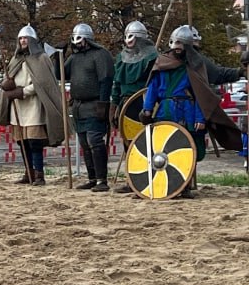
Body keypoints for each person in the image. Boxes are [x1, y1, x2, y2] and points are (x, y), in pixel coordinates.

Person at [140, 24, 246, 197]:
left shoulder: (194, 66)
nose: (179, 49)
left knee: (188, 150)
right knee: (162, 149)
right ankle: (164, 184)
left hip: (187, 112)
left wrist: (200, 118)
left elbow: (200, 95)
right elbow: (152, 89)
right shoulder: (161, 63)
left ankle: (186, 185)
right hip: (165, 112)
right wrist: (147, 110)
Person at [0, 25, 65, 186]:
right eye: (20, 38)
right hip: (18, 108)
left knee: (35, 141)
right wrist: (7, 84)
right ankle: (28, 173)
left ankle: (39, 174)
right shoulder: (15, 59)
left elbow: (42, 84)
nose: (22, 41)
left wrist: (22, 92)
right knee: (22, 141)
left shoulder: (41, 58)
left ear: (32, 40)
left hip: (34, 106)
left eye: (25, 38)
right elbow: (10, 77)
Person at [109, 20, 159, 192]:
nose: (128, 41)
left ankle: (148, 179)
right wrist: (114, 106)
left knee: (146, 144)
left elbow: (155, 84)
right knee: (128, 144)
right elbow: (116, 83)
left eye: (131, 37)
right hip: (125, 104)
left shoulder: (152, 57)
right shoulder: (121, 57)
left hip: (143, 103)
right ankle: (132, 180)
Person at [64, 22, 114, 191]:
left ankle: (102, 180)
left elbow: (106, 80)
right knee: (85, 143)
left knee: (95, 141)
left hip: (94, 104)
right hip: (79, 106)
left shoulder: (100, 55)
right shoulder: (74, 58)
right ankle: (92, 178)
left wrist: (103, 103)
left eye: (79, 39)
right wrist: (59, 55)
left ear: (86, 39)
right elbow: (60, 74)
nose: (76, 43)